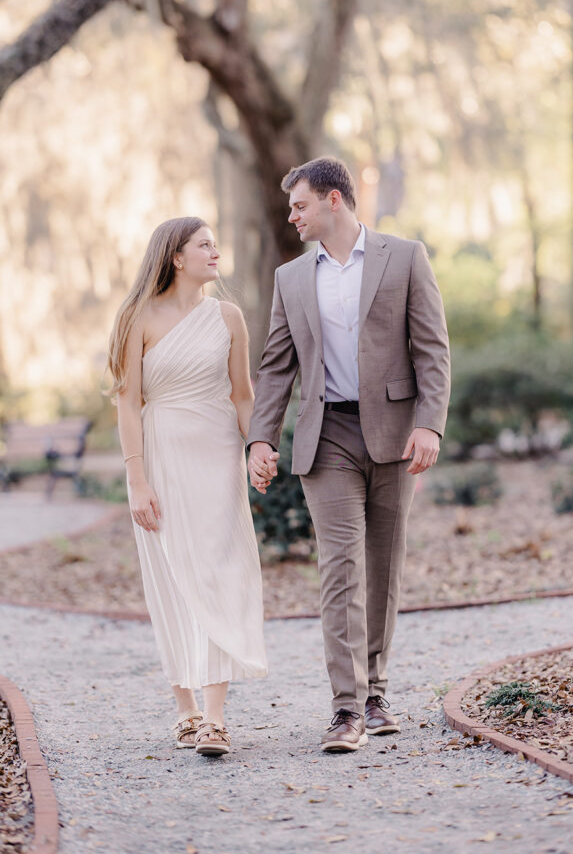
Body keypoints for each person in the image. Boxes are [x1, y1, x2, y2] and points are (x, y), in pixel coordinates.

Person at [247, 157, 450, 753]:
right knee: (341, 568)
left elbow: (433, 350)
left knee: (383, 566)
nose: (292, 216)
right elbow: (277, 365)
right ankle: (345, 709)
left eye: (300, 205)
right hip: (326, 436)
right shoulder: (291, 278)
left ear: (334, 200)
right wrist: (261, 437)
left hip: (392, 435)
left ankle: (376, 691)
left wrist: (429, 425)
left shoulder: (405, 256)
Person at [107, 217, 267, 758]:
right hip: (162, 455)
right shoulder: (138, 317)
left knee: (221, 571)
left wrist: (260, 447)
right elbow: (128, 401)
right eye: (204, 244)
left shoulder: (228, 317)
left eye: (214, 243)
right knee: (173, 576)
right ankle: (185, 710)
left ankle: (216, 719)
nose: (214, 251)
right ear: (176, 256)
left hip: (219, 454)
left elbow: (243, 395)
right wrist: (136, 479)